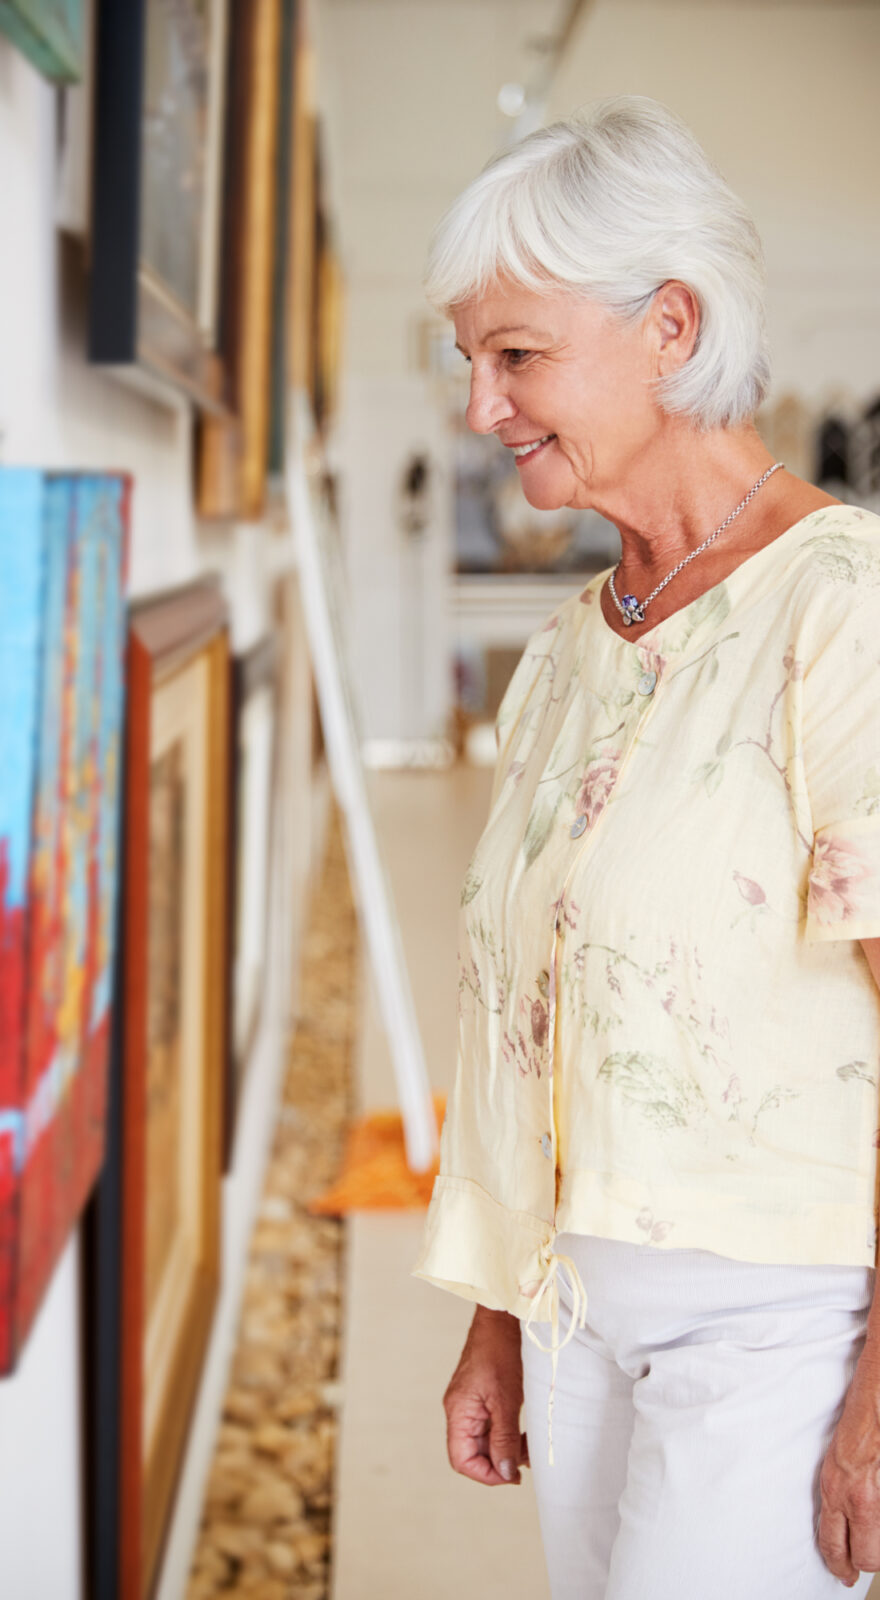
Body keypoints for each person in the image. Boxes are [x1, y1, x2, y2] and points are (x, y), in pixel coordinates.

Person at [413, 96, 880, 1599]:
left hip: (778, 1327)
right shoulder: (564, 656)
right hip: (573, 1314)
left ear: (669, 326)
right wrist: (499, 1309)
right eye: (470, 360)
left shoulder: (843, 608)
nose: (480, 407)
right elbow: (523, 1008)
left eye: (517, 356)